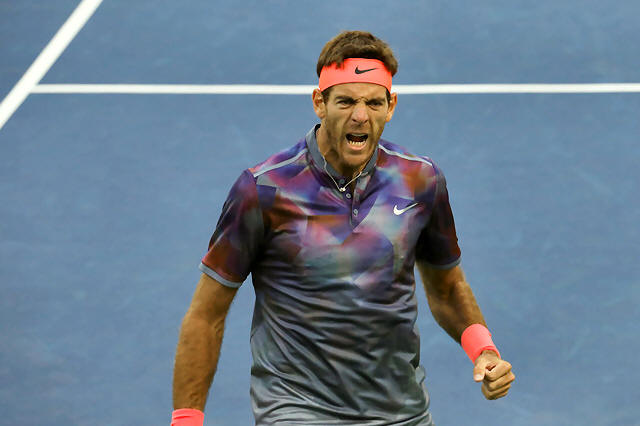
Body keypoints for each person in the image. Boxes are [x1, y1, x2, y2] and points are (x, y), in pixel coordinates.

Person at [171, 30, 515, 426]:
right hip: (297, 409)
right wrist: (186, 419)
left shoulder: (420, 180)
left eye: (373, 102)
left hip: (401, 411)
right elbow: (206, 314)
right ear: (319, 102)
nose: (360, 116)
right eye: (346, 101)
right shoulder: (265, 189)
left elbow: (448, 288)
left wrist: (484, 350)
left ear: (391, 106)